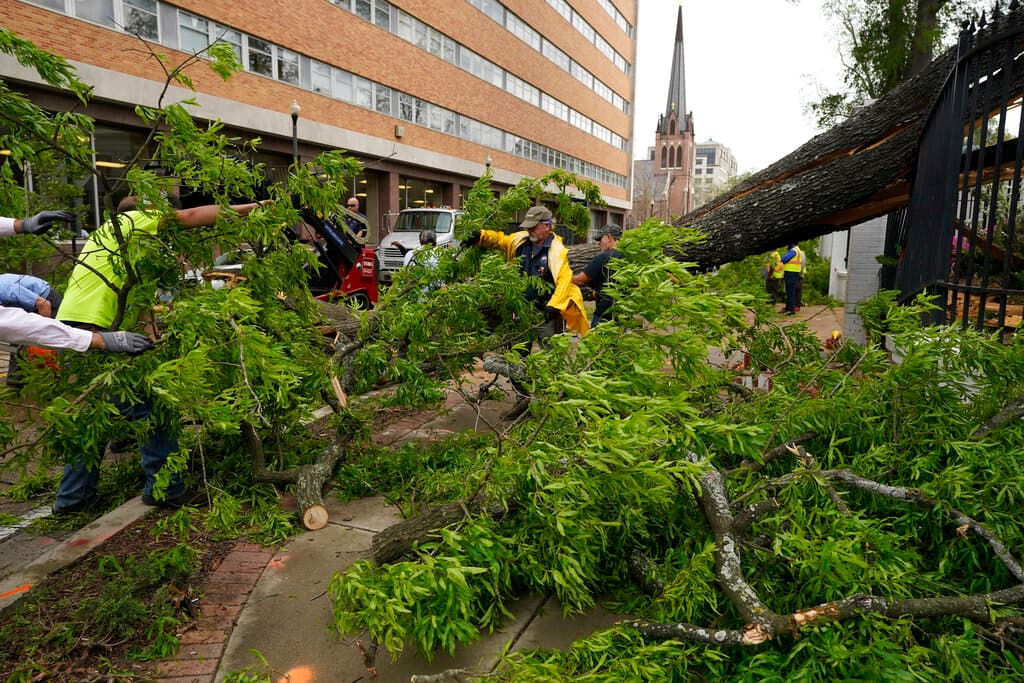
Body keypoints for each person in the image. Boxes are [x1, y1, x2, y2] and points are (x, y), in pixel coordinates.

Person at [52, 196, 264, 514]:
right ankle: (166, 487)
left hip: (76, 325)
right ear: (145, 213)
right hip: (95, 325)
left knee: (95, 414)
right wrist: (247, 211)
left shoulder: (106, 238)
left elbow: (132, 299)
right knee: (152, 405)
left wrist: (149, 339)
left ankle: (73, 497)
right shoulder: (130, 223)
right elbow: (191, 215)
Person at [466, 205, 589, 418]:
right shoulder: (520, 241)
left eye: (534, 227)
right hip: (520, 313)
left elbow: (564, 280)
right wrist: (480, 236)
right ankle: (522, 400)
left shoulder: (557, 251)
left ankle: (551, 400)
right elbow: (500, 240)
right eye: (528, 226)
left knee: (550, 357)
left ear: (546, 226)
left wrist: (555, 306)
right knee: (516, 357)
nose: (530, 230)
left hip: (546, 315)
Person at [0, 212, 151, 353]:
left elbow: (42, 305)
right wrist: (96, 340)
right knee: (37, 344)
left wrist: (20, 225)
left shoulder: (5, 287)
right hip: (36, 305)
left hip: (46, 299)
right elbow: (11, 324)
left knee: (54, 340)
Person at [571, 224, 625, 327]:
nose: (599, 243)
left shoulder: (603, 257)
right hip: (622, 315)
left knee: (597, 342)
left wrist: (560, 277)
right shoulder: (628, 257)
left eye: (601, 239)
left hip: (603, 316)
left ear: (609, 237)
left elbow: (580, 280)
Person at [780, 242, 804, 315]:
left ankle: (790, 310)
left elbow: (784, 259)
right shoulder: (798, 250)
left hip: (791, 273)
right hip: (794, 273)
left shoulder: (793, 250)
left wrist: (783, 257)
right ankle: (788, 308)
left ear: (792, 243)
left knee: (790, 291)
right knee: (790, 291)